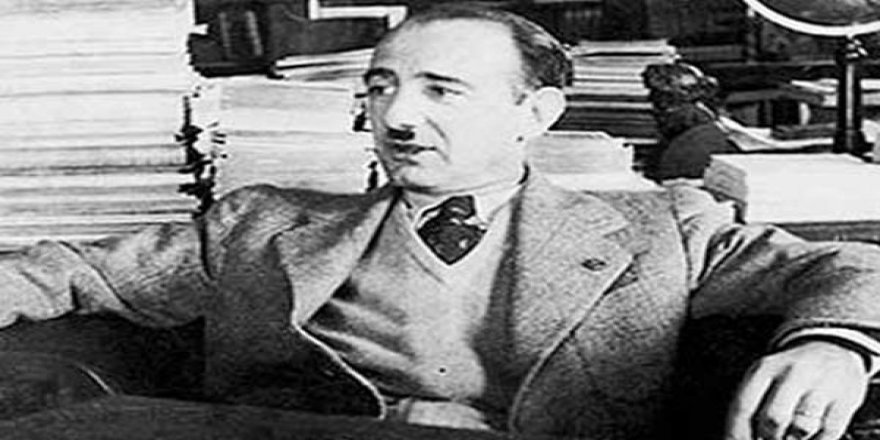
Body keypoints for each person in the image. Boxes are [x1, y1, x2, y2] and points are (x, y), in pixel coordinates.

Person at [1, 5, 880, 440]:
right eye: (382, 87)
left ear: (535, 113)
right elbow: (68, 269)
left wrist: (834, 345)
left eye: (441, 91)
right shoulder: (257, 225)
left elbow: (849, 267)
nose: (399, 117)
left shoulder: (662, 229)